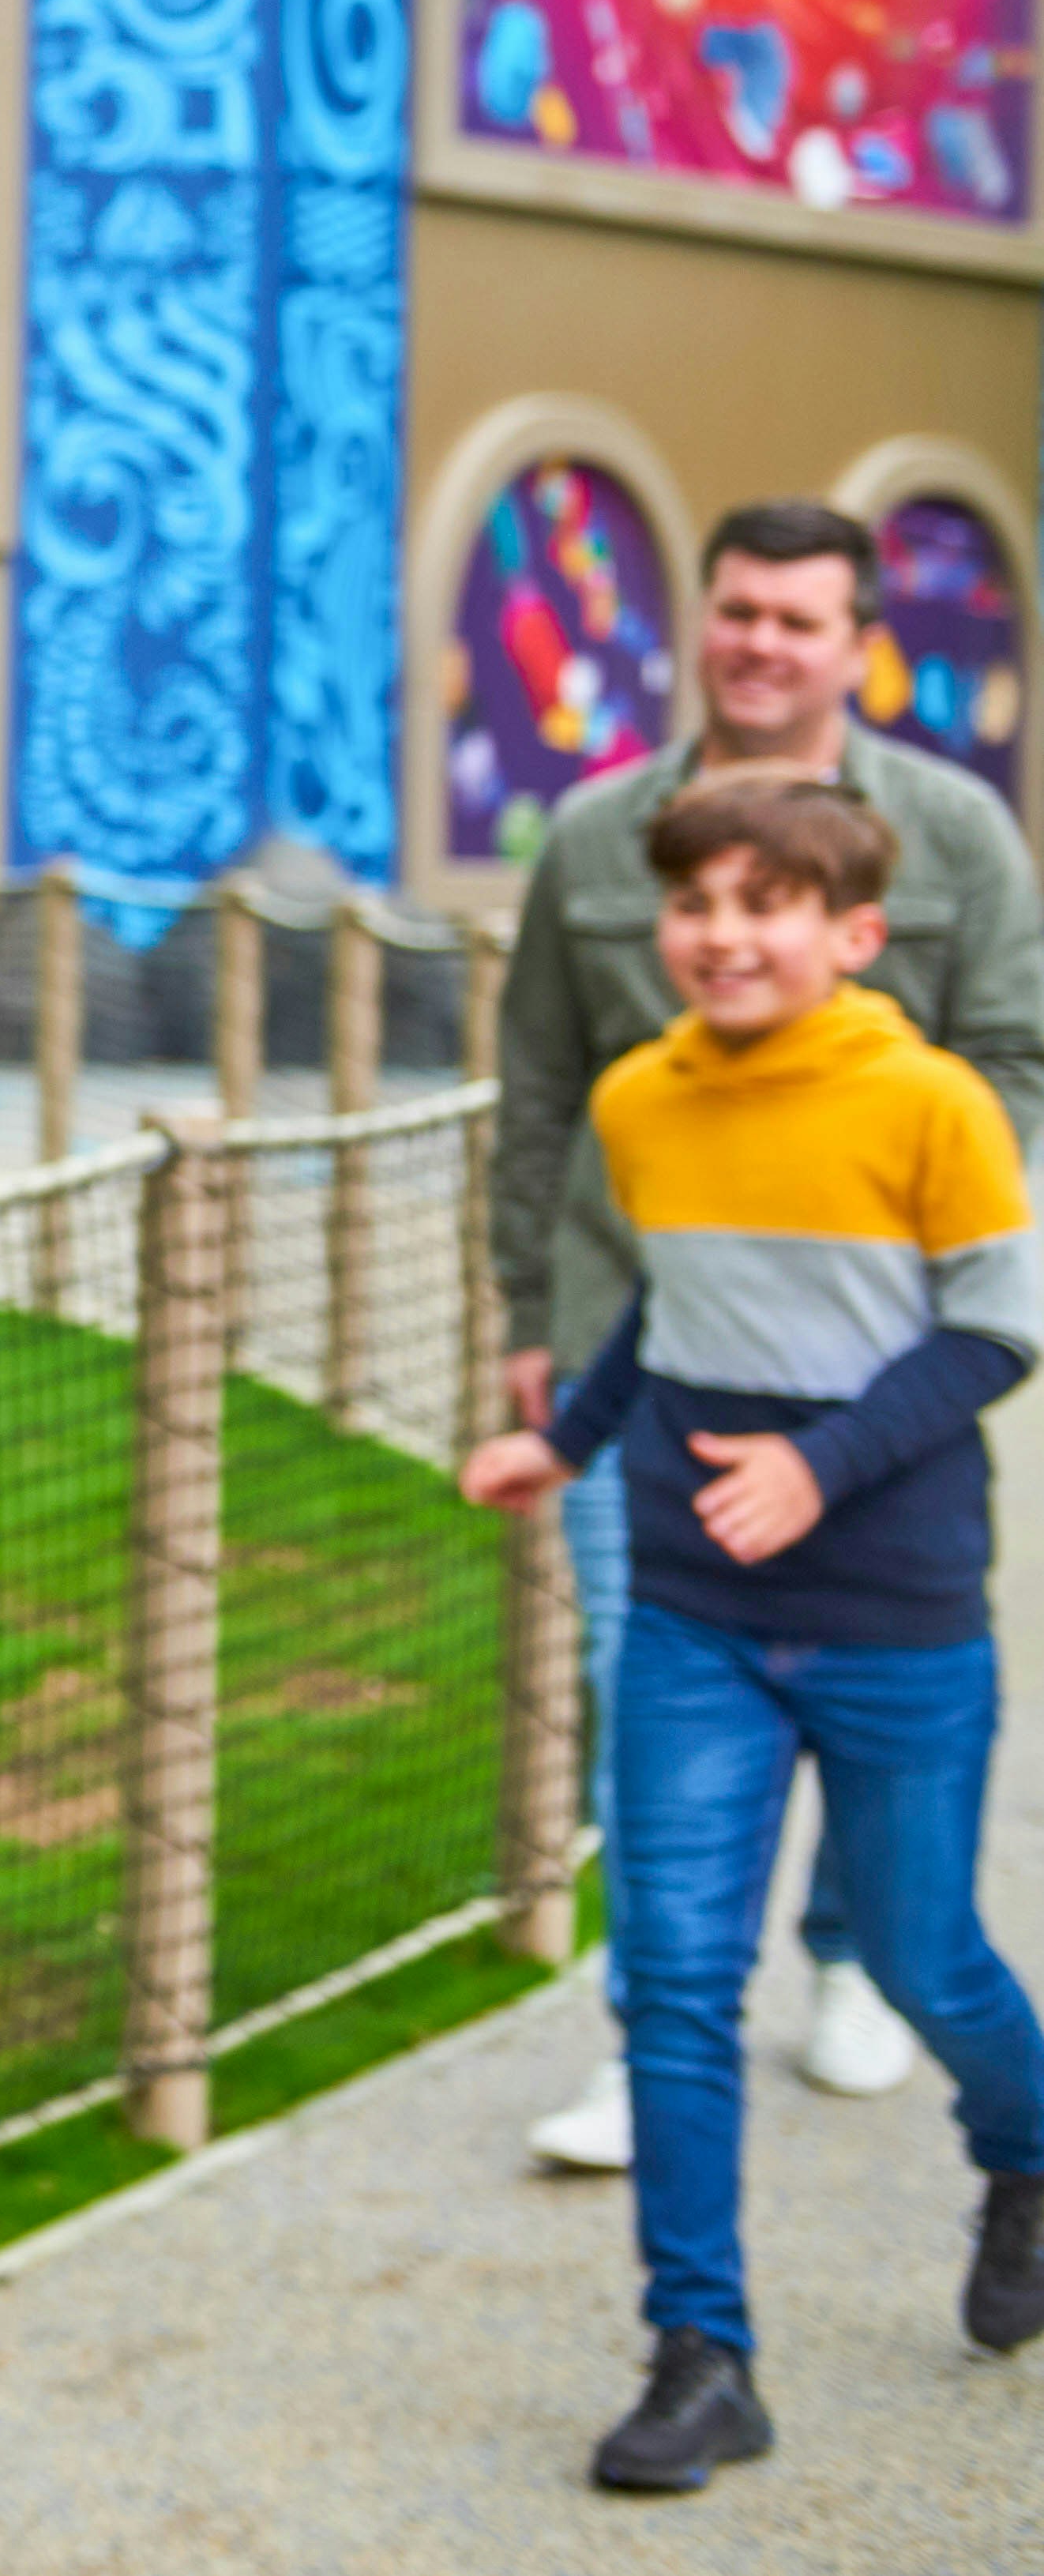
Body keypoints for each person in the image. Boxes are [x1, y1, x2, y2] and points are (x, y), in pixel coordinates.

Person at [458, 773, 1044, 2488]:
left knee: (929, 1954)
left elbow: (997, 1332)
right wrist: (564, 1434)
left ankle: (1022, 2154)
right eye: (695, 902)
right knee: (680, 1988)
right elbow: (671, 1304)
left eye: (763, 903)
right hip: (695, 1614)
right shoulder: (639, 1100)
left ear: (853, 934)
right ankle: (698, 2353)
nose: (721, 933)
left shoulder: (931, 1102)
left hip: (893, 1610)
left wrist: (817, 1463)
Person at [490, 499, 1044, 2171]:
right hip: (631, 1335)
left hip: (868, 1365)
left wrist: (921, 1227)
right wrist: (530, 1316)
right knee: (639, 1678)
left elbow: (1013, 1059)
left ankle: (845, 1957)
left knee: (868, 1667)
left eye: (798, 619)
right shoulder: (597, 837)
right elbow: (529, 1088)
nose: (759, 643)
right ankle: (653, 2026)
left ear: (852, 637)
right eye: (736, 611)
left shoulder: (953, 832)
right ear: (702, 622)